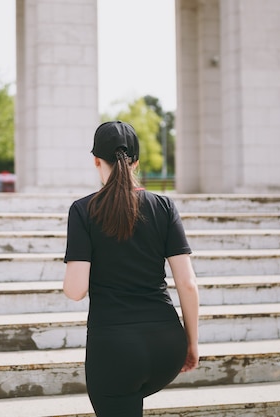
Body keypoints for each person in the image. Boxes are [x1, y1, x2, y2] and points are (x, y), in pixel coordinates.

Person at [63, 120, 200, 417]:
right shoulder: (164, 207)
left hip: (114, 350)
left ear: (97, 161)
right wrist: (192, 343)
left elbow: (75, 291)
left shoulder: (82, 210)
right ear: (136, 162)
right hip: (167, 346)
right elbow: (188, 283)